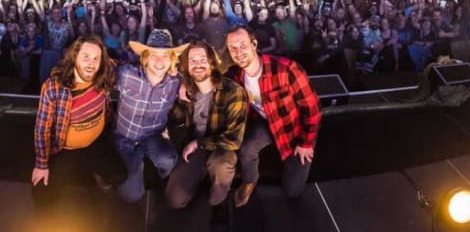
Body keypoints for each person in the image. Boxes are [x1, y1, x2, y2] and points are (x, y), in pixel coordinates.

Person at [225, 25, 321, 207]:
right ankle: (249, 181)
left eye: (243, 45)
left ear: (254, 44)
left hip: (295, 128)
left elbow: (313, 109)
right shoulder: (236, 75)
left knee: (293, 191)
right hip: (266, 122)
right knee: (247, 147)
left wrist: (306, 143)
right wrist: (185, 87)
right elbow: (213, 82)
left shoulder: (287, 69)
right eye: (233, 48)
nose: (238, 52)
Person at [31, 35, 127, 208]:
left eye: (96, 59)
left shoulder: (105, 74)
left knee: (120, 175)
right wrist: (41, 164)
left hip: (96, 142)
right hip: (64, 148)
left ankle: (96, 174)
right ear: (74, 56)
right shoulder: (54, 87)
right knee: (42, 197)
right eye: (86, 57)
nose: (91, 63)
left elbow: (123, 65)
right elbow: (41, 129)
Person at [165, 41, 248, 210]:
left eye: (202, 59)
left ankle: (219, 201)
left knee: (221, 164)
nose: (198, 65)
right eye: (193, 61)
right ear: (187, 66)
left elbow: (234, 139)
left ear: (211, 62)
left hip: (222, 147)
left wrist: (198, 143)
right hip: (196, 149)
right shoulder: (185, 91)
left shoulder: (233, 91)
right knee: (174, 200)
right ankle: (201, 172)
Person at [113, 29, 188, 203]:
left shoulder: (175, 82)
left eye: (165, 55)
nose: (160, 61)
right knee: (131, 196)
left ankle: (154, 171)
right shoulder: (126, 74)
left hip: (153, 137)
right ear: (145, 57)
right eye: (154, 54)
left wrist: (184, 81)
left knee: (168, 160)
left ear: (171, 60)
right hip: (124, 139)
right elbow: (102, 71)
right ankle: (130, 169)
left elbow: (199, 76)